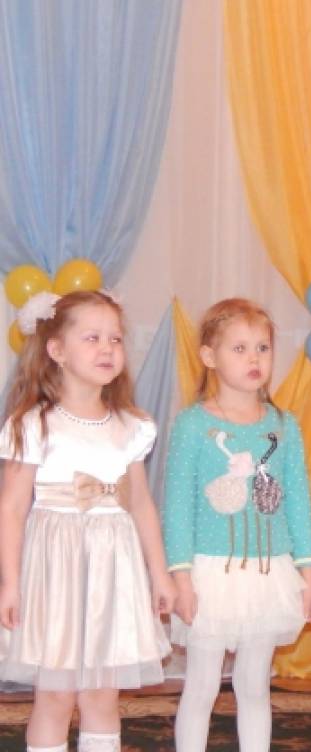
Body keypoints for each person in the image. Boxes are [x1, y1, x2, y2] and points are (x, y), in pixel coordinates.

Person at [0, 290, 174, 752]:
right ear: (57, 350)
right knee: (55, 695)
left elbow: (141, 504)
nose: (107, 348)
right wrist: (11, 584)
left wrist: (160, 574)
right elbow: (11, 507)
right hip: (55, 572)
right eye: (92, 338)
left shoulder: (132, 426)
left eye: (115, 339)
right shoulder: (33, 424)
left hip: (112, 571)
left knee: (101, 693)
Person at [163, 298, 311, 752]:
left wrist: (308, 576)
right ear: (209, 356)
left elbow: (298, 504)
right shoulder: (193, 425)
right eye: (240, 348)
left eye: (263, 348)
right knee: (202, 686)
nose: (254, 359)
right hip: (210, 574)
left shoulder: (284, 426)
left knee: (254, 686)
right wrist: (181, 579)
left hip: (269, 573)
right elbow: (177, 506)